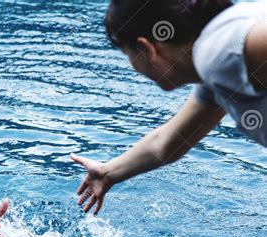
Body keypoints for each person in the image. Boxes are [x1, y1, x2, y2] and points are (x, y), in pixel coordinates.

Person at [71, 0, 267, 214]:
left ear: (146, 48)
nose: (133, 67)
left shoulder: (218, 52)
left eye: (128, 55)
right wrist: (108, 173)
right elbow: (165, 143)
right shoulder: (215, 72)